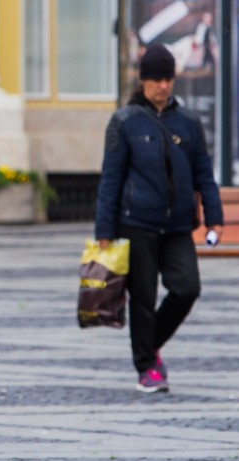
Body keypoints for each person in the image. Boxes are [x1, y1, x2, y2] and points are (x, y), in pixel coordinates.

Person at [94, 44, 224, 393]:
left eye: (168, 78)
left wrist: (215, 218)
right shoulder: (124, 121)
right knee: (143, 298)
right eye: (156, 79)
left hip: (179, 224)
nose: (163, 86)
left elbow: (203, 174)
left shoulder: (189, 122)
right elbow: (111, 179)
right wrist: (104, 231)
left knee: (187, 288)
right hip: (136, 224)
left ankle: (150, 345)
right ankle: (147, 367)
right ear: (143, 80)